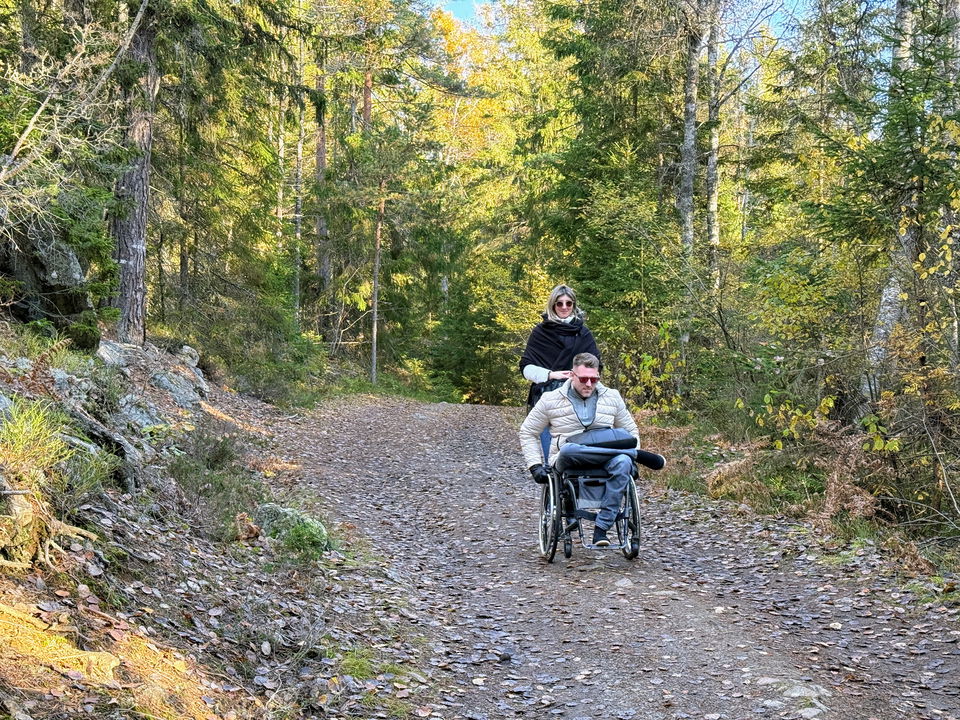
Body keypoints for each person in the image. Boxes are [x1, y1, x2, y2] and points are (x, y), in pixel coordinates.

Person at [519, 352, 664, 547]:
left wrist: (631, 453)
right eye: (584, 379)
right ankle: (634, 455)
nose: (589, 384)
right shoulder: (550, 399)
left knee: (622, 462)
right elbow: (528, 431)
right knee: (569, 449)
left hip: (604, 459)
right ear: (572, 375)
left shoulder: (612, 397)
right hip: (570, 457)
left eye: (594, 379)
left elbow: (630, 430)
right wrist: (535, 465)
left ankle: (602, 528)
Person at [519, 284, 601, 462]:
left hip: (580, 399)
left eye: (568, 303)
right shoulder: (540, 333)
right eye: (559, 303)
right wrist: (551, 375)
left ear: (574, 305)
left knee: (583, 457)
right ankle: (554, 488)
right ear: (552, 305)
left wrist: (578, 377)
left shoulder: (583, 333)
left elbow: (595, 365)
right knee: (553, 457)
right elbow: (526, 367)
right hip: (547, 399)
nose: (564, 307)